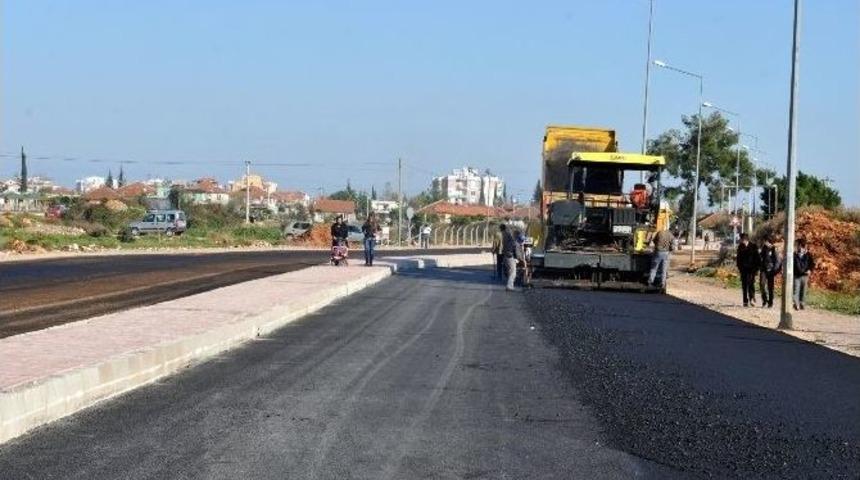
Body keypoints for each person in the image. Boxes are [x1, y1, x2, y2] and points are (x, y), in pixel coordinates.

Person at [736, 233, 760, 307]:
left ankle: (751, 298)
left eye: (742, 239)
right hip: (743, 270)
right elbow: (738, 259)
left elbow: (757, 258)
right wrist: (739, 268)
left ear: (745, 239)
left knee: (751, 285)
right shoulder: (740, 247)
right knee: (744, 286)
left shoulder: (753, 246)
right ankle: (745, 301)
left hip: (752, 270)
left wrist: (756, 269)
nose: (741, 241)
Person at [758, 235, 781, 308]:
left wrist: (774, 270)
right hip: (763, 270)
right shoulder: (764, 248)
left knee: (770, 287)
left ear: (768, 242)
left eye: (765, 241)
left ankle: (770, 302)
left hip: (771, 270)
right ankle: (764, 300)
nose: (764, 243)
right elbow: (761, 257)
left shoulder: (774, 249)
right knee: (762, 284)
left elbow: (777, 261)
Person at [793, 238, 815, 310]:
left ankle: (802, 303)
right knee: (796, 290)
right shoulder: (794, 254)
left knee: (803, 290)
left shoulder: (808, 254)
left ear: (800, 245)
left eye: (797, 245)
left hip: (805, 276)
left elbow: (812, 264)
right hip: (796, 275)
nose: (796, 246)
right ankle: (796, 304)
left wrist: (810, 270)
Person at [500, 224, 521, 291]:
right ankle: (509, 286)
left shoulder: (508, 240)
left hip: (505, 256)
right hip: (510, 257)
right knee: (513, 273)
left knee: (510, 272)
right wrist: (518, 258)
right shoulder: (515, 243)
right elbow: (517, 252)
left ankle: (510, 286)